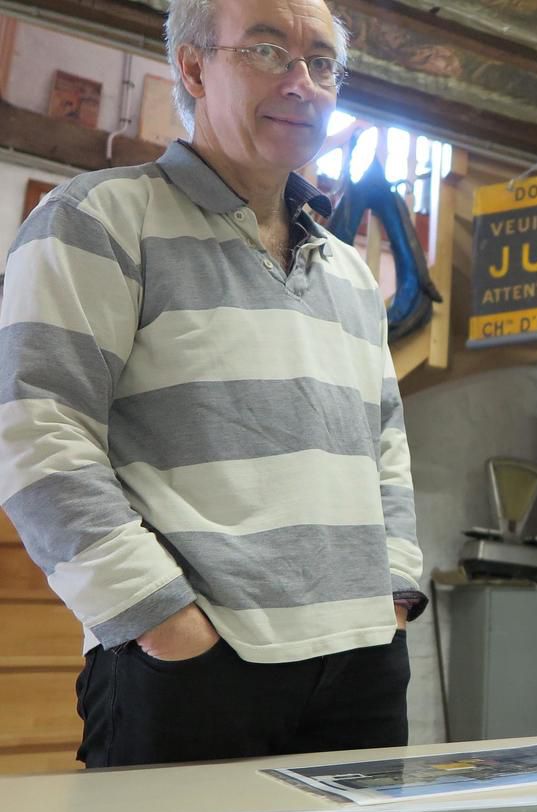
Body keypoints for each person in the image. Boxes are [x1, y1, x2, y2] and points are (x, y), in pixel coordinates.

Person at [0, 0, 425, 766]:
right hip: (196, 671)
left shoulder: (353, 273)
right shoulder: (95, 221)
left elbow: (384, 444)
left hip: (362, 665)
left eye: (322, 62)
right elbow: (37, 435)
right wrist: (166, 627)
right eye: (268, 50)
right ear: (193, 66)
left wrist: (391, 596)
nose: (303, 83)